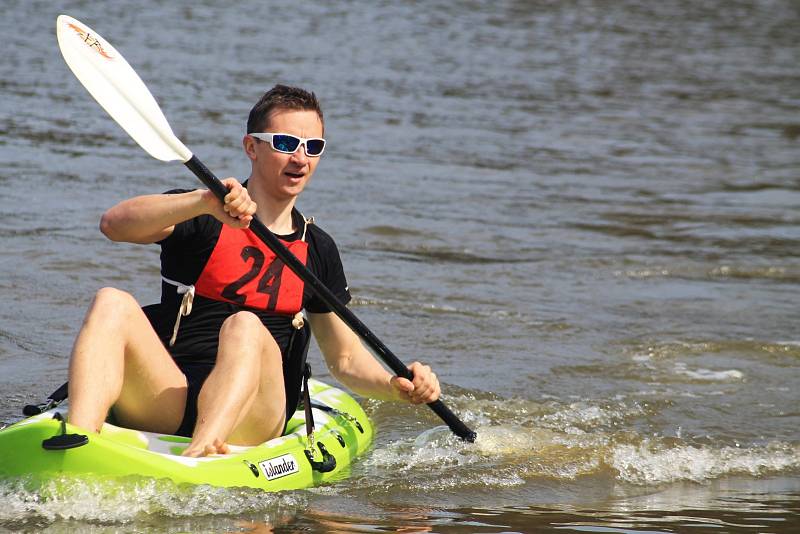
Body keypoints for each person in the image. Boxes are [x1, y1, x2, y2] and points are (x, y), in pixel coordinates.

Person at [67, 85, 440, 457]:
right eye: (285, 142)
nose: (300, 158)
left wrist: (395, 384)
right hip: (171, 397)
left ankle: (200, 453)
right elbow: (114, 225)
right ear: (251, 147)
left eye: (312, 147)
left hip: (255, 415)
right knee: (110, 301)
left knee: (244, 325)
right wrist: (202, 202)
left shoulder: (318, 249)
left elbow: (344, 360)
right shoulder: (203, 213)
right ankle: (75, 440)